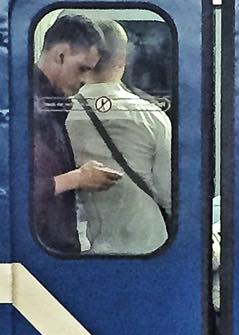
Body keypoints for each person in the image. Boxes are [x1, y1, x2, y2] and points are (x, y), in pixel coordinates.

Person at [66, 19, 171, 255]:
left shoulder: (62, 114)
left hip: (86, 249)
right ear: (123, 59)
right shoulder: (150, 115)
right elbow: (169, 192)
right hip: (147, 245)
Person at [33, 13, 120, 252]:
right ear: (60, 55)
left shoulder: (53, 104)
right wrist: (78, 178)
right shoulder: (27, 106)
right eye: (82, 69)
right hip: (41, 248)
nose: (85, 80)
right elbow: (18, 190)